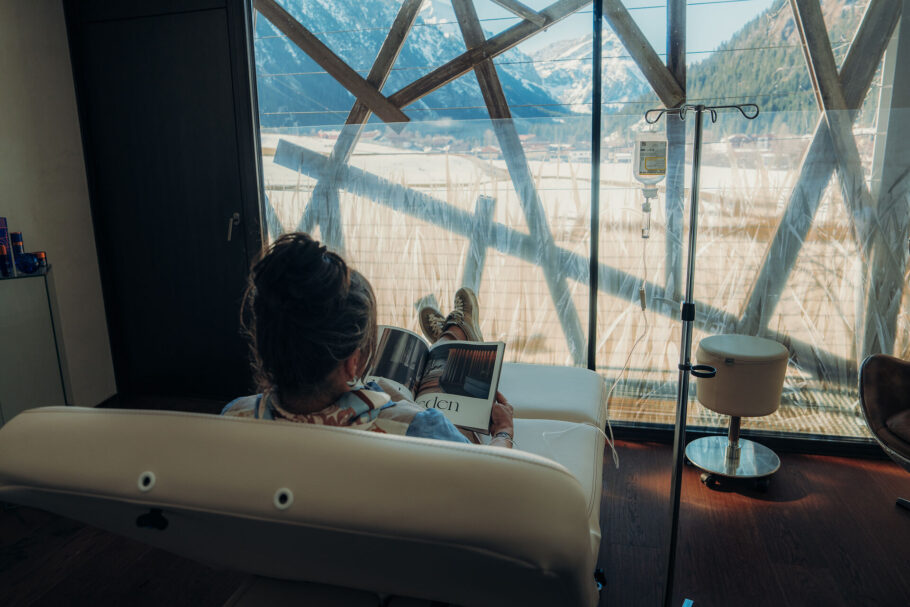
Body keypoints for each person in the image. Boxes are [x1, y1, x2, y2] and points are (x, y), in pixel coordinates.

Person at [221, 232, 514, 448]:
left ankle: (452, 334)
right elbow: (492, 477)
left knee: (386, 388)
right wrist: (504, 431)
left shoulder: (234, 418)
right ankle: (454, 335)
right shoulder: (419, 429)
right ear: (352, 363)